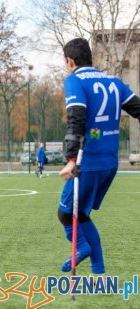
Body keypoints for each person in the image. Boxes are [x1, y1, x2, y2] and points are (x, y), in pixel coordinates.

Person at [57, 38, 140, 275]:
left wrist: (71, 160)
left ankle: (81, 248)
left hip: (87, 162)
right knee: (81, 215)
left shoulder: (74, 80)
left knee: (65, 213)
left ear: (70, 61)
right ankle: (99, 271)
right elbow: (138, 109)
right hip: (110, 164)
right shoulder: (114, 82)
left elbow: (76, 118)